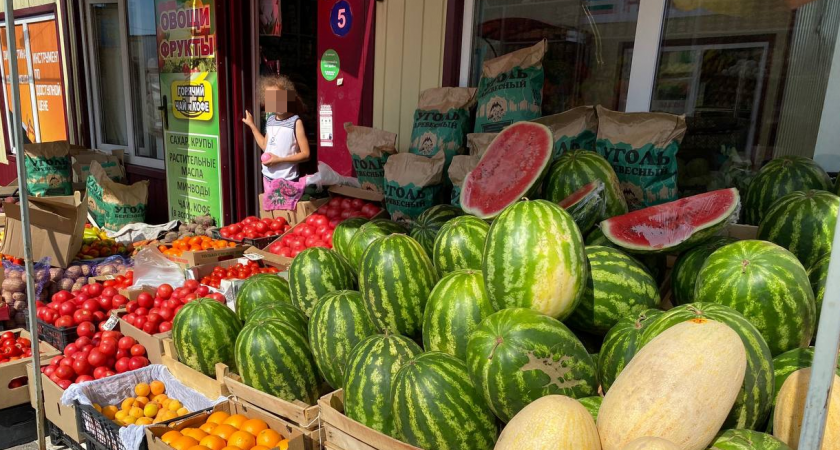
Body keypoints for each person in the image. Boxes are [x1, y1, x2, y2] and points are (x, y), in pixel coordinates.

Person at [242, 74, 311, 209]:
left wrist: (279, 160)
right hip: (268, 178)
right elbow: (264, 146)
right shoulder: (271, 120)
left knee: (286, 217)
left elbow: (306, 154)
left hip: (287, 180)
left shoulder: (296, 122)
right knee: (272, 217)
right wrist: (252, 125)